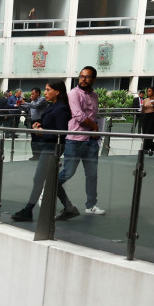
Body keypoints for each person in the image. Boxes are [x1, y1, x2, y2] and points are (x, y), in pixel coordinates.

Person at [12, 79, 80, 222]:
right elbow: (51, 126)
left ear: (57, 91)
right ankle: (69, 207)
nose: (45, 92)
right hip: (49, 146)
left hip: (53, 147)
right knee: (51, 180)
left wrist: (43, 131)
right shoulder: (54, 106)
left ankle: (28, 210)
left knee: (39, 179)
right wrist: (40, 125)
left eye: (48, 90)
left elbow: (61, 132)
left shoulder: (61, 108)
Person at [55, 66, 104, 215]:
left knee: (92, 175)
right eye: (81, 76)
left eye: (87, 77)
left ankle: (91, 205)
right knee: (68, 172)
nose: (83, 79)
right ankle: (48, 188)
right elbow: (78, 115)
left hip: (90, 141)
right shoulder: (73, 94)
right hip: (74, 139)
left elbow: (93, 115)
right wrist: (95, 127)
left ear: (93, 79)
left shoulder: (94, 96)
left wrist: (95, 132)